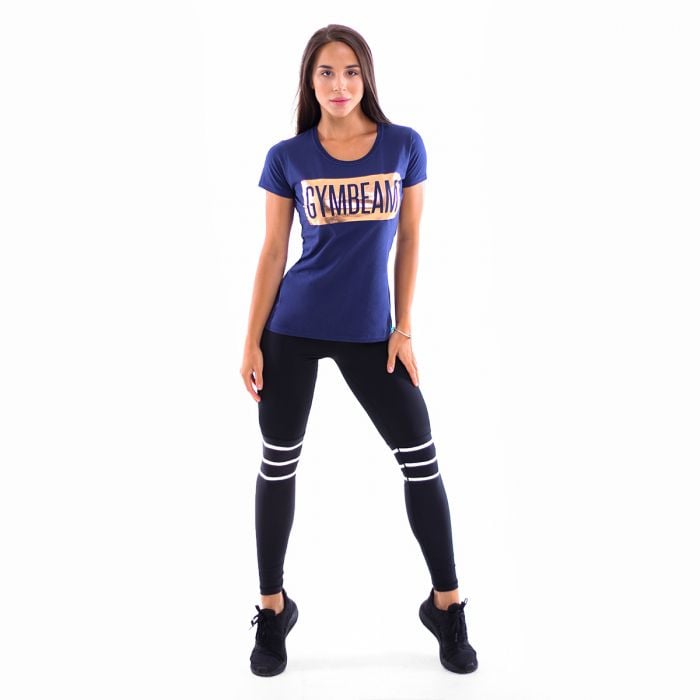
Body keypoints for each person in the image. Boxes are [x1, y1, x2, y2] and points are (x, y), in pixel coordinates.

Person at [240, 23, 478, 677]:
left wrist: (404, 329)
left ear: (366, 76)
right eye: (326, 72)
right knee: (278, 464)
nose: (339, 84)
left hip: (373, 333)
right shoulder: (287, 156)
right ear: (309, 80)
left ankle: (447, 605)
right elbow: (273, 252)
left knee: (421, 458)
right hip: (292, 328)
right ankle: (272, 608)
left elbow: (411, 238)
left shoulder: (404, 145)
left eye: (350, 71)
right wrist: (251, 341)